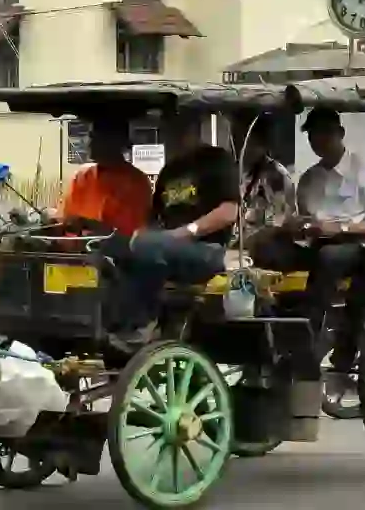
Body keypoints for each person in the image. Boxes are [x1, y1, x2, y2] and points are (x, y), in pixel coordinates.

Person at [252, 107, 365, 375]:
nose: (318, 141)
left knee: (329, 256)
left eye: (324, 134)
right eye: (313, 136)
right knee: (270, 250)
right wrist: (295, 226)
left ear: (339, 134)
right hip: (318, 245)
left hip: (363, 248)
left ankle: (313, 329)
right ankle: (275, 323)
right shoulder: (309, 178)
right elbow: (305, 222)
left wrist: (340, 227)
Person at [105, 114, 239, 347]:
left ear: (194, 128)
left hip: (208, 251)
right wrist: (140, 235)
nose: (170, 135)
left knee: (149, 245)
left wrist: (185, 232)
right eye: (168, 129)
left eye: (175, 129)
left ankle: (143, 324)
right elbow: (154, 217)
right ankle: (112, 325)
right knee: (112, 246)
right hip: (166, 248)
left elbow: (229, 211)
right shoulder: (171, 169)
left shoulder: (217, 160)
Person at [60, 118, 153, 236]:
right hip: (74, 252)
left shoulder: (137, 182)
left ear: (115, 143)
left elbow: (134, 233)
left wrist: (89, 225)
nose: (89, 143)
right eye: (90, 137)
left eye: (96, 139)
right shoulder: (81, 177)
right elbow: (66, 220)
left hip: (115, 253)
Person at [237, 117, 295, 246]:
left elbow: (279, 221)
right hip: (242, 243)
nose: (246, 149)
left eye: (253, 144)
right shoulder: (245, 171)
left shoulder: (276, 175)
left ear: (265, 146)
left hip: (266, 244)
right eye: (244, 143)